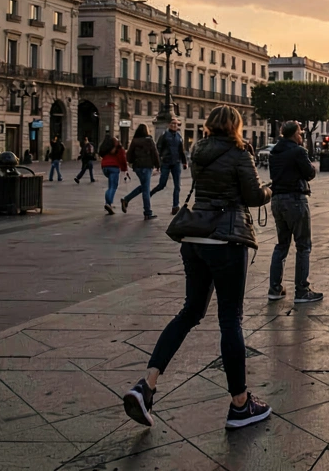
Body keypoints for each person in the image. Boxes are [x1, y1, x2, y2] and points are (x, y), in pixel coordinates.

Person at [122, 106, 273, 430]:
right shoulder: (238, 153)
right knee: (230, 319)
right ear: (236, 126)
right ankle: (240, 404)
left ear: (208, 126)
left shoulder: (197, 150)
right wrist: (269, 190)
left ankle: (147, 384)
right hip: (225, 240)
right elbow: (252, 195)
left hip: (194, 239)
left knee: (189, 312)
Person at [267, 121, 322, 304]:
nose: (301, 136)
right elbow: (309, 173)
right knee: (303, 245)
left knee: (282, 245)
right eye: (300, 133)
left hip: (277, 200)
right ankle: (302, 291)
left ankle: (274, 288)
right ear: (293, 134)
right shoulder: (298, 151)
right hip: (295, 200)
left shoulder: (274, 152)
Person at [150, 119, 189, 216]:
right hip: (166, 163)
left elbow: (181, 150)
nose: (174, 125)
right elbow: (158, 149)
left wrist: (184, 162)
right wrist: (158, 162)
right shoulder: (164, 136)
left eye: (176, 124)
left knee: (177, 186)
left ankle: (175, 206)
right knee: (162, 185)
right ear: (169, 125)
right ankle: (148, 195)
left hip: (176, 163)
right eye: (172, 123)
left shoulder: (179, 136)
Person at [121, 124, 160, 219]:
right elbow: (155, 154)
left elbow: (129, 155)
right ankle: (148, 212)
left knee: (144, 186)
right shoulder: (149, 140)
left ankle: (126, 200)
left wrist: (132, 163)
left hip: (138, 167)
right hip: (147, 167)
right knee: (146, 190)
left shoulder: (134, 141)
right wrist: (158, 165)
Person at [99, 134, 128, 215]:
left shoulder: (106, 147)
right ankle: (108, 203)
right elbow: (122, 159)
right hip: (114, 167)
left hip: (105, 167)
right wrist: (124, 169)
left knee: (110, 186)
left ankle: (108, 203)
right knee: (113, 187)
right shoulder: (118, 148)